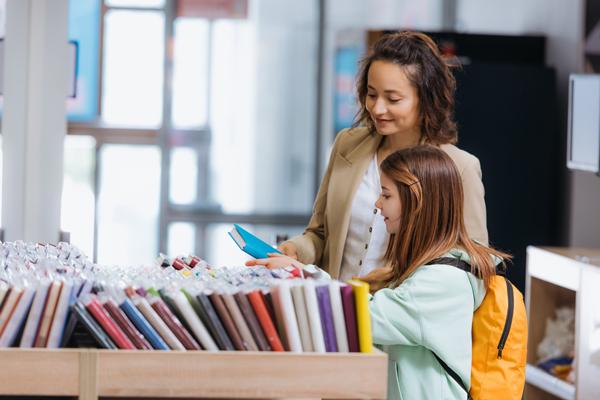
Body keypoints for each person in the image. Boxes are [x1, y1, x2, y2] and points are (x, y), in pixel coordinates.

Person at [248, 146, 510, 400]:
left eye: (386, 195)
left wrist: (302, 274)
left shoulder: (443, 282)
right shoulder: (426, 269)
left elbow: (364, 313)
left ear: (416, 200)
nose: (377, 203)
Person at [278, 31, 488, 281]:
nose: (377, 108)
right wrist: (295, 251)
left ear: (426, 99)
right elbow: (321, 234)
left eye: (393, 99)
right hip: (335, 309)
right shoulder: (347, 145)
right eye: (372, 94)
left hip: (398, 316)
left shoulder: (459, 167)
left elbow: (473, 264)